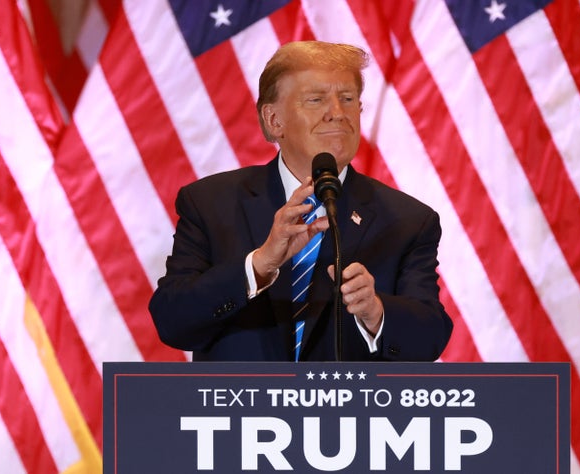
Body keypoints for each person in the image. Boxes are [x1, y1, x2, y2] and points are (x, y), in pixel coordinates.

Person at [148, 41, 452, 361]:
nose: (337, 113)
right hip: (238, 409)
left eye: (347, 99)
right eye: (316, 99)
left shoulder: (408, 221)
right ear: (274, 120)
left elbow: (429, 340)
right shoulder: (210, 204)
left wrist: (375, 313)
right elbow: (172, 322)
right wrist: (259, 265)